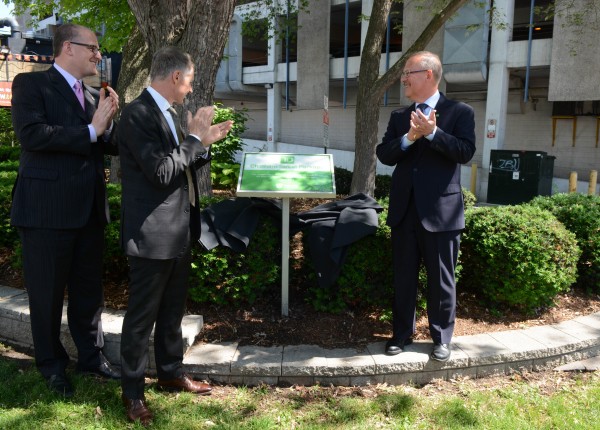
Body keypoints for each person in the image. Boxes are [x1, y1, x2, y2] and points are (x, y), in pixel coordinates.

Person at [117, 46, 233, 426]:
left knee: (172, 312)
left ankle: (169, 371)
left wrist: (204, 143)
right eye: (190, 82)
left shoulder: (167, 114)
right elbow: (161, 173)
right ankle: (132, 393)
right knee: (141, 319)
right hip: (151, 235)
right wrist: (194, 141)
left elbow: (180, 166)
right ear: (175, 78)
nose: (190, 89)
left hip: (179, 229)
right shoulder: (137, 114)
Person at [9, 23, 121, 397]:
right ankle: (52, 366)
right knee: (46, 294)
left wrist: (110, 122)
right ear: (68, 47)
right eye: (93, 48)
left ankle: (92, 357)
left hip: (88, 211)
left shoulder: (93, 94)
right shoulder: (31, 85)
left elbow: (108, 143)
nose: (98, 55)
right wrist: (91, 131)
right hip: (46, 212)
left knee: (90, 292)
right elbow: (32, 135)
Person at [376, 51, 476, 362]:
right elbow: (385, 154)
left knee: (441, 280)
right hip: (405, 211)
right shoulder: (398, 117)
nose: (403, 78)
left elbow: (464, 151)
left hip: (441, 214)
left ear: (428, 74)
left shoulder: (459, 112)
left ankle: (441, 338)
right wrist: (409, 137)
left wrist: (432, 133)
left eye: (408, 72)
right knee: (403, 277)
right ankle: (401, 334)